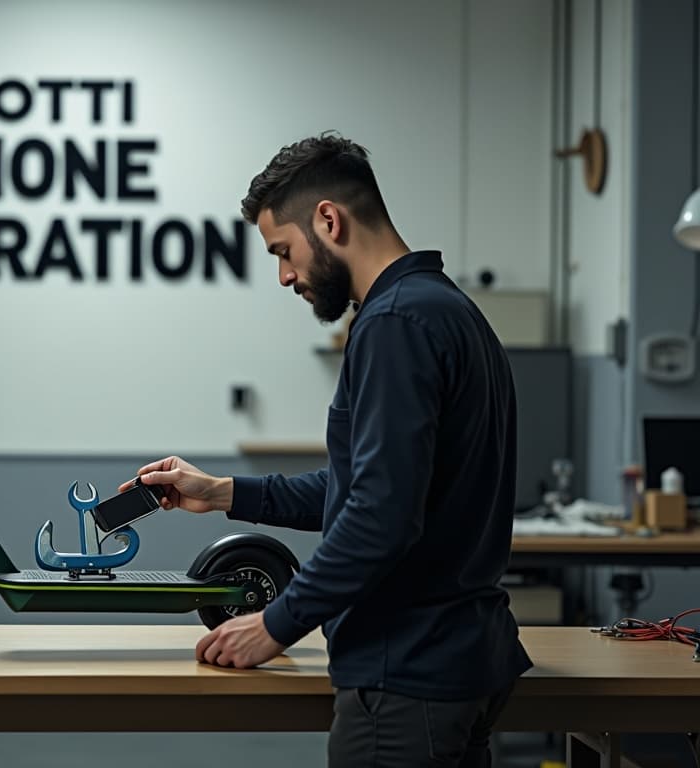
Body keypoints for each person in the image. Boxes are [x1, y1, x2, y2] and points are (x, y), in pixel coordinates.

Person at [120, 133, 532, 767]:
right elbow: (370, 488)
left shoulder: (394, 325)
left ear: (329, 220)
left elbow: (381, 516)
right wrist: (224, 492)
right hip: (461, 662)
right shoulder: (449, 311)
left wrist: (276, 622)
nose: (285, 276)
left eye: (283, 252)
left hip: (406, 675)